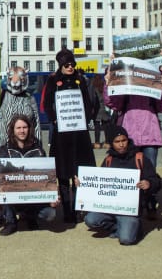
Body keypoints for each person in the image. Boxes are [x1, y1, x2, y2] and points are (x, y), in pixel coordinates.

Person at [104, 57, 162, 217]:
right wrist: (109, 84)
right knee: (130, 171)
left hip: (150, 135)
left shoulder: (153, 86)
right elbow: (112, 103)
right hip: (130, 135)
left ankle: (150, 201)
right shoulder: (126, 88)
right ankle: (132, 204)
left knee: (150, 172)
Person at [41, 48, 95, 223]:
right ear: (61, 65)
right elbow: (47, 104)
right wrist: (54, 119)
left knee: (80, 172)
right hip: (62, 135)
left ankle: (79, 207)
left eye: (72, 64)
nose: (70, 67)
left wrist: (87, 118)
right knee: (63, 174)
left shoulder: (80, 80)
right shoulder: (52, 81)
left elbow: (88, 102)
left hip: (79, 134)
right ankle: (67, 211)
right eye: (67, 65)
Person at [82, 126, 161, 245]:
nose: (121, 144)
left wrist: (149, 184)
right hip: (109, 208)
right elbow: (98, 184)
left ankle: (133, 227)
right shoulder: (108, 160)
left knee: (126, 240)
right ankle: (118, 227)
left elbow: (156, 181)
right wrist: (83, 183)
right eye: (117, 142)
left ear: (128, 140)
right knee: (90, 219)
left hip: (129, 210)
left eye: (123, 140)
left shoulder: (139, 158)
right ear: (111, 143)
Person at [0, 114, 58, 236]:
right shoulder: (4, 150)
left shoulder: (38, 150)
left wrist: (51, 196)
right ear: (13, 130)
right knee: (4, 187)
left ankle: (30, 217)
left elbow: (46, 179)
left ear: (29, 129)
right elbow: (0, 176)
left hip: (32, 199)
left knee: (50, 214)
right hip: (13, 198)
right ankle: (10, 221)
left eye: (25, 127)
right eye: (18, 128)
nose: (22, 131)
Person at [89, 74, 110, 149]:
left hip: (97, 110)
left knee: (97, 127)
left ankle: (97, 143)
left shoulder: (93, 87)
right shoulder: (104, 86)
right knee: (106, 127)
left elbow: (92, 99)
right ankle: (107, 142)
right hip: (105, 109)